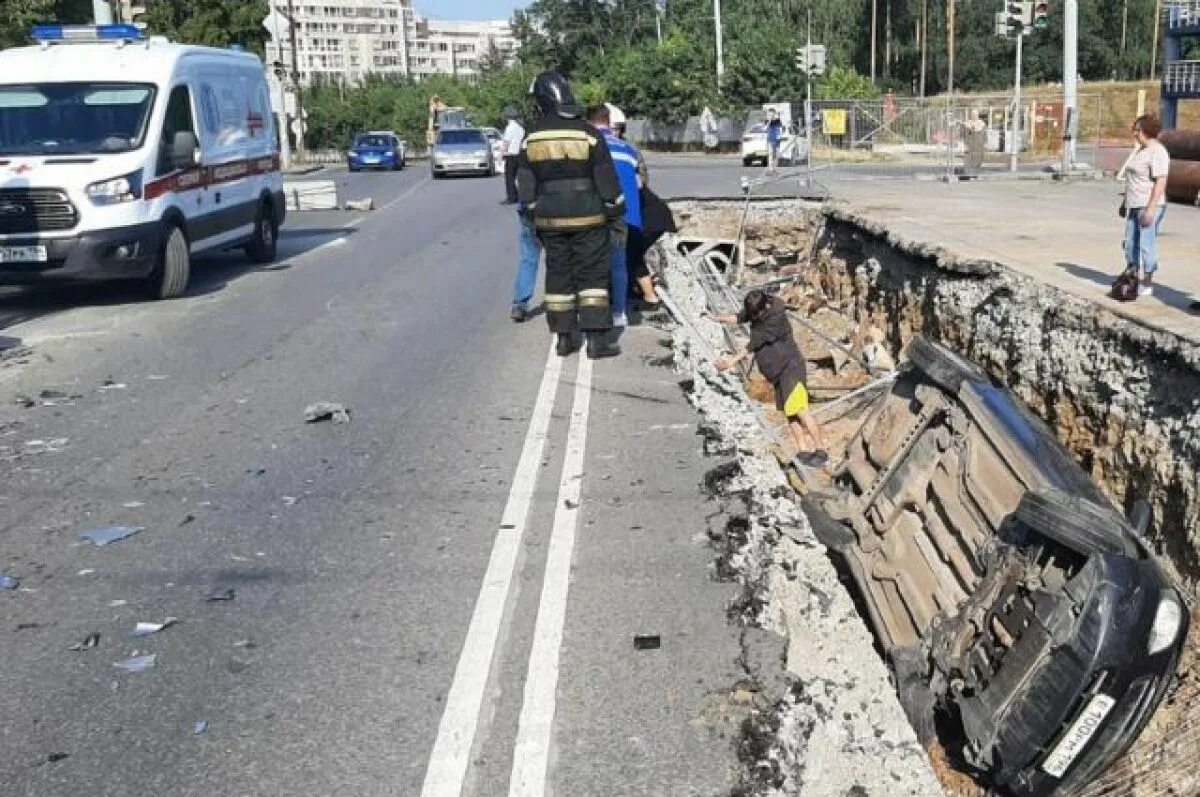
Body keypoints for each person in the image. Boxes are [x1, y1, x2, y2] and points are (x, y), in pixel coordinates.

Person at [517, 72, 624, 359]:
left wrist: (531, 217)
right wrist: (616, 215)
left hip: (549, 219)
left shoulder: (531, 138)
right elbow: (607, 181)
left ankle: (564, 340)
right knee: (593, 277)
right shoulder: (588, 134)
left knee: (558, 276)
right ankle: (596, 342)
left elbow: (525, 187)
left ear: (541, 101)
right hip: (589, 217)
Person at [711, 290, 827, 467]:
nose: (754, 316)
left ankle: (820, 451)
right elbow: (738, 317)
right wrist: (716, 318)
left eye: (756, 313)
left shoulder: (775, 318)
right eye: (752, 314)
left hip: (790, 368)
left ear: (764, 306)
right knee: (790, 413)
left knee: (800, 409)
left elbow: (752, 345)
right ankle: (803, 450)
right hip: (778, 373)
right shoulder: (757, 311)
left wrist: (729, 362)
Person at [587, 104, 641, 327]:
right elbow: (638, 183)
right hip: (621, 214)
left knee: (592, 265)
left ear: (588, 123)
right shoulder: (627, 149)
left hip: (592, 215)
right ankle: (620, 313)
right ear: (609, 123)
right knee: (619, 265)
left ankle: (593, 314)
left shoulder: (586, 147)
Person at [1118, 114, 1170, 299]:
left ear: (1147, 131)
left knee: (1146, 245)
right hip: (1134, 204)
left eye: (1137, 130)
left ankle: (1147, 282)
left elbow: (1160, 182)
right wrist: (1125, 203)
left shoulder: (1158, 152)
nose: (1134, 133)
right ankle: (1132, 276)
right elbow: (1132, 179)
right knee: (1130, 243)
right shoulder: (1140, 150)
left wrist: (1150, 209)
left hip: (1149, 205)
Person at [510, 196, 542, 322]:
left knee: (529, 259)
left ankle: (519, 304)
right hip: (553, 208)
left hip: (528, 208)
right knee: (558, 259)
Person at [500, 106, 525, 205]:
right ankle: (522, 195)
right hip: (520, 153)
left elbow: (506, 142)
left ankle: (512, 197)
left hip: (511, 155)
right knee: (520, 177)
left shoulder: (510, 128)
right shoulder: (520, 127)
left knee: (509, 177)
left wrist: (501, 154)